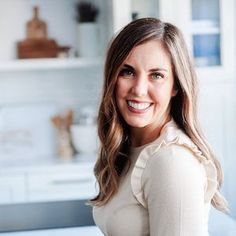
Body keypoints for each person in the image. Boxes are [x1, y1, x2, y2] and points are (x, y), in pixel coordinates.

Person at [91, 18, 228, 236]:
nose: (139, 90)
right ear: (112, 77)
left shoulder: (172, 162)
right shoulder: (132, 148)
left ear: (175, 86)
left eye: (156, 75)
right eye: (127, 71)